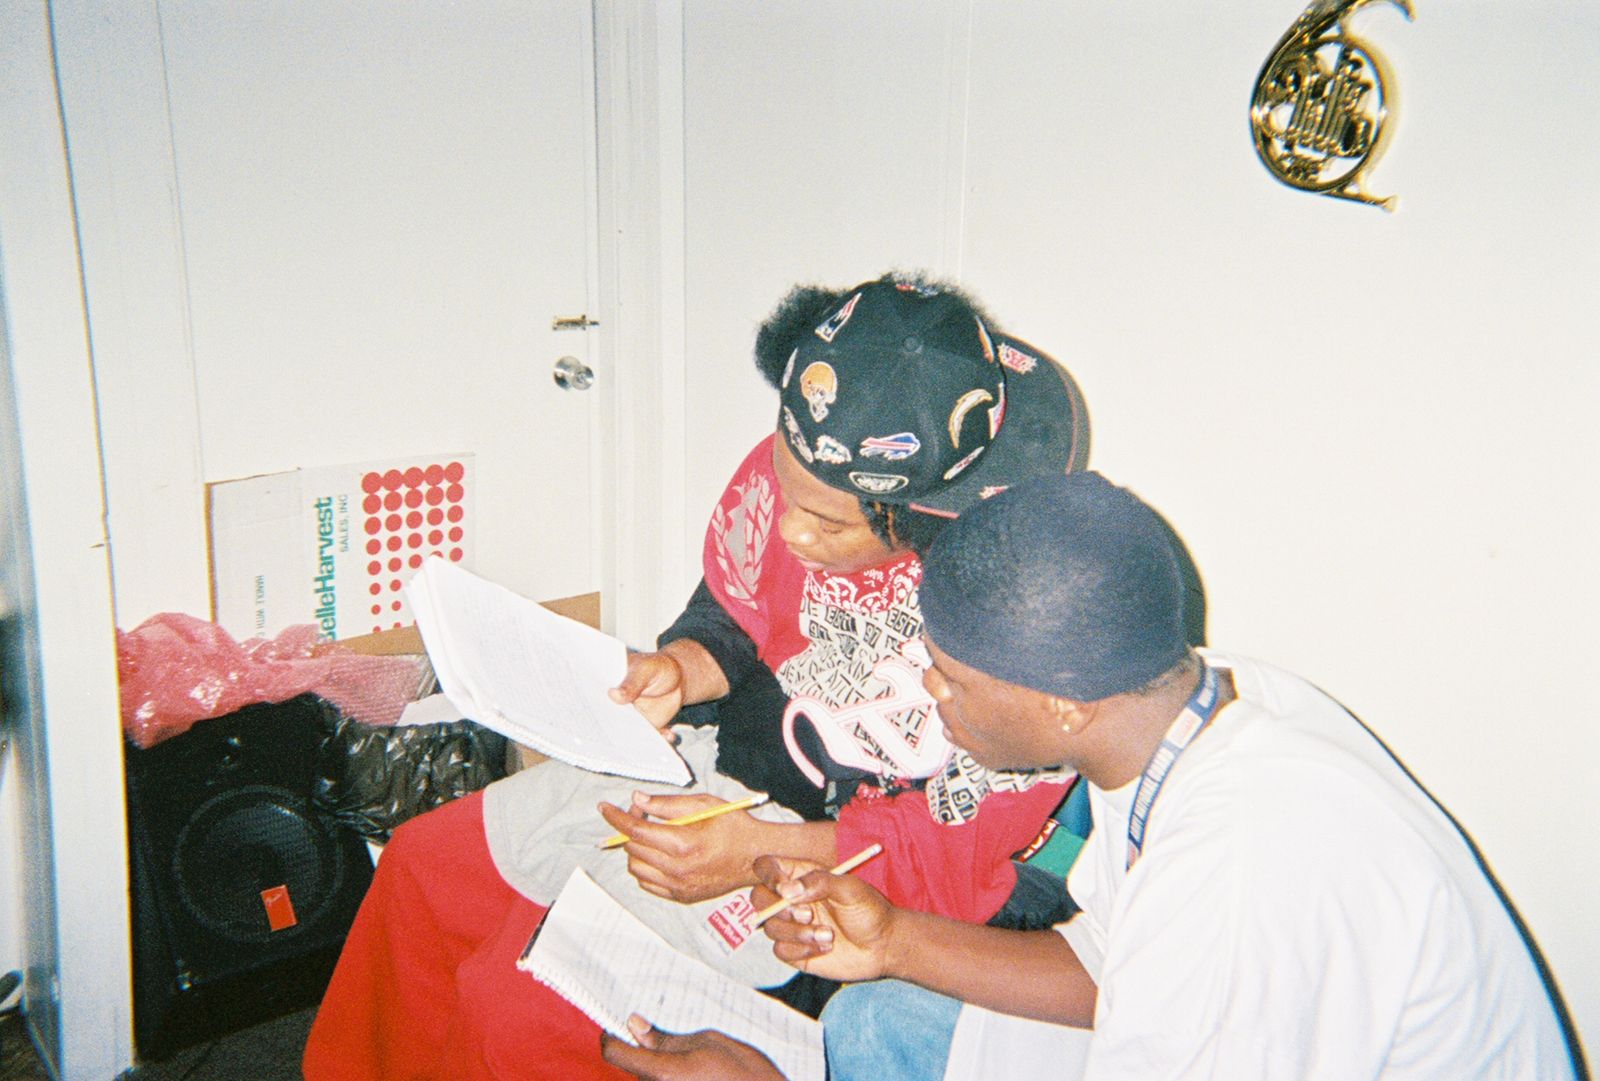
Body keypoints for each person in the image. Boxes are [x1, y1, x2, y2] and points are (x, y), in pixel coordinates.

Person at [303, 273, 1093, 1080]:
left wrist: (756, 848)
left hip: (845, 864)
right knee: (424, 865)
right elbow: (732, 609)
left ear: (925, 520)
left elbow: (945, 857)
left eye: (826, 523)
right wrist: (679, 670)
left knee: (517, 1010)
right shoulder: (814, 459)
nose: (791, 530)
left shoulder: (1020, 625)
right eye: (785, 487)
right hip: (722, 767)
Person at [603, 471, 1584, 1081]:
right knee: (876, 1018)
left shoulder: (1248, 867)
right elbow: (1110, 963)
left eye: (949, 676)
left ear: (1062, 704)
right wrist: (895, 939)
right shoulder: (1179, 707)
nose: (924, 692)